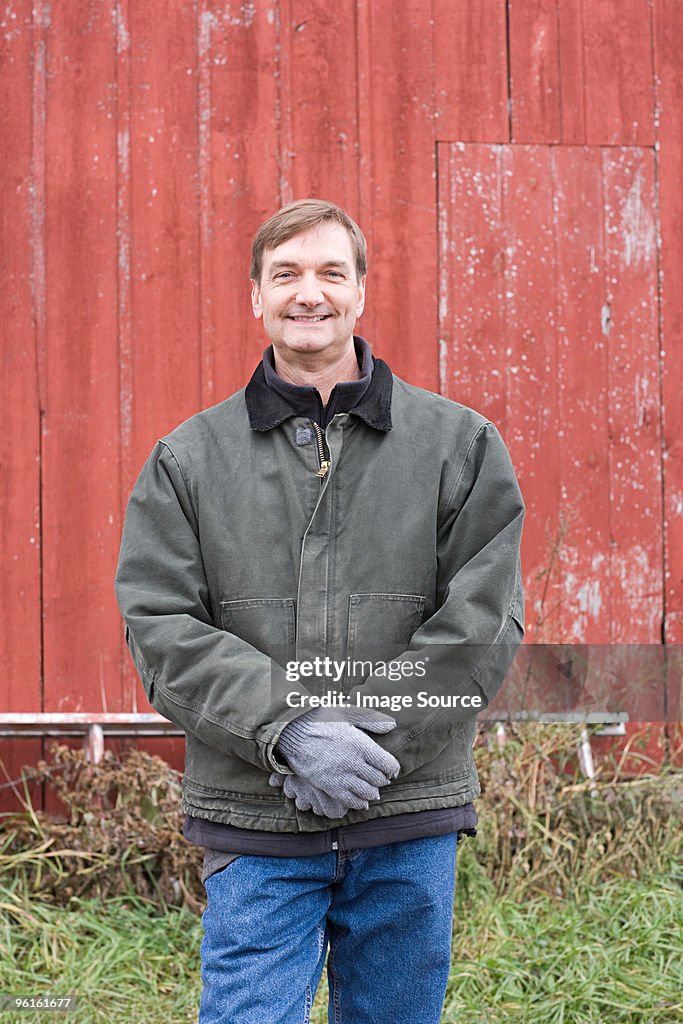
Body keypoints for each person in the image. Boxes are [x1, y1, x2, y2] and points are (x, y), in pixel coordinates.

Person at [114, 199, 525, 1024]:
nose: (309, 293)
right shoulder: (187, 460)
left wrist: (372, 741)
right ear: (255, 298)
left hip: (406, 811)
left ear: (361, 292)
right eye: (286, 274)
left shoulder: (459, 445)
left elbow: (481, 624)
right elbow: (161, 626)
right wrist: (292, 733)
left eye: (331, 272)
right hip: (256, 813)